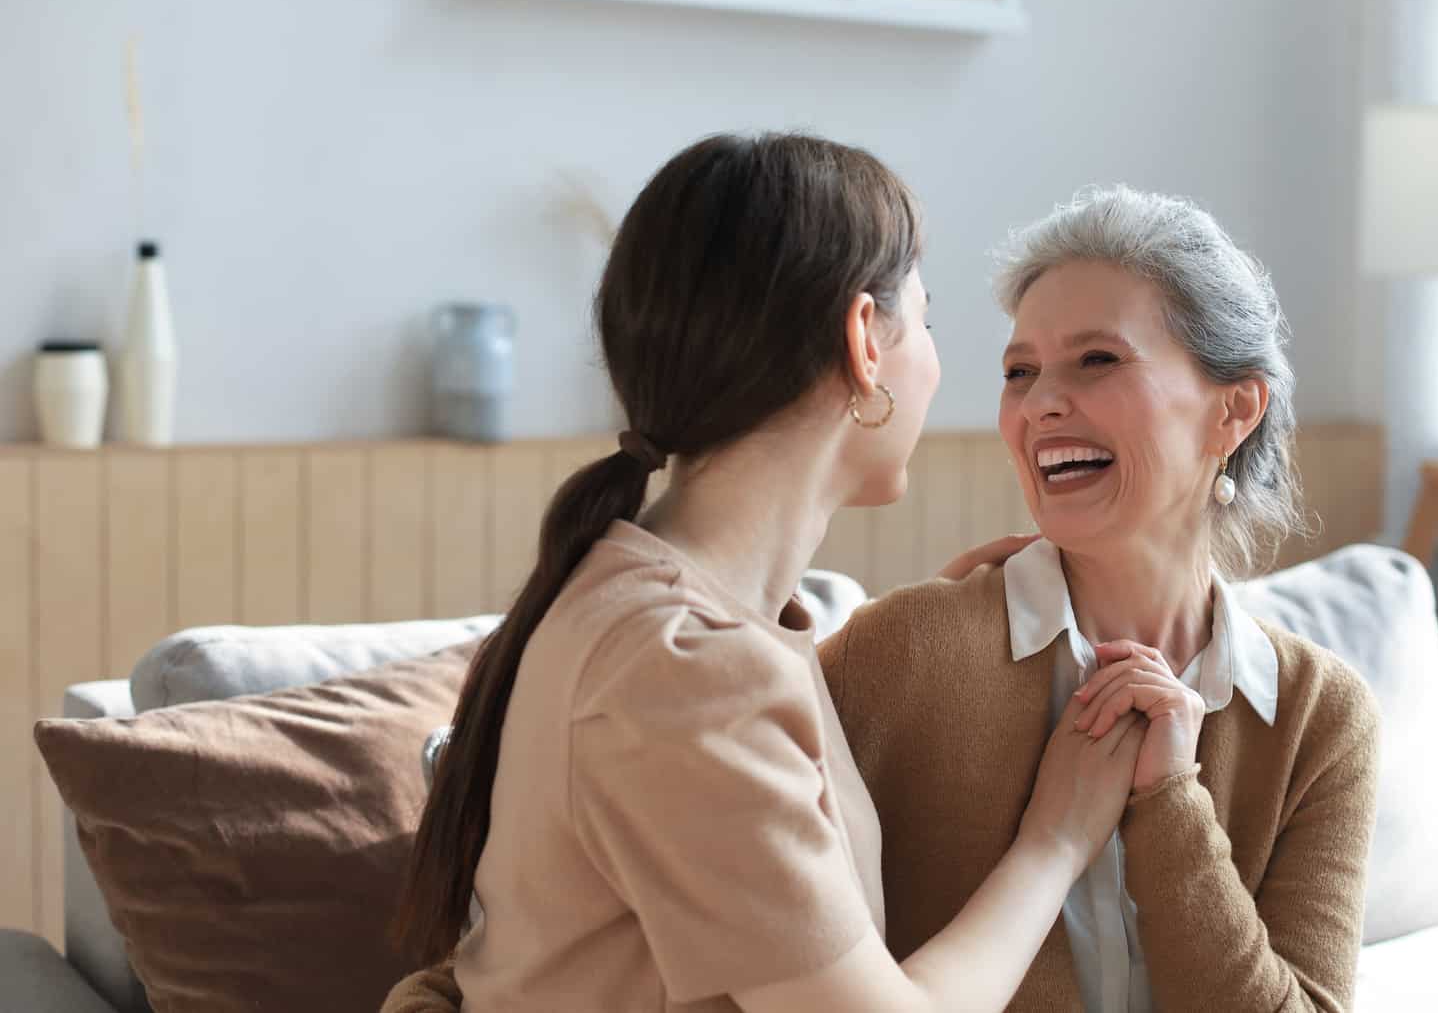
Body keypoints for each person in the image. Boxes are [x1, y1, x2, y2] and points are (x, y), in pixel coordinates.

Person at [385, 135, 1148, 1013]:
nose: (941, 366)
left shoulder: (671, 615)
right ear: (865, 341)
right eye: (927, 323)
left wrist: (925, 638)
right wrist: (1057, 838)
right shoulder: (684, 667)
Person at [820, 186, 1381, 1012]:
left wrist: (1169, 805)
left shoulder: (1319, 715)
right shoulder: (906, 651)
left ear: (1234, 409)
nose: (1040, 403)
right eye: (1020, 372)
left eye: (1097, 360)